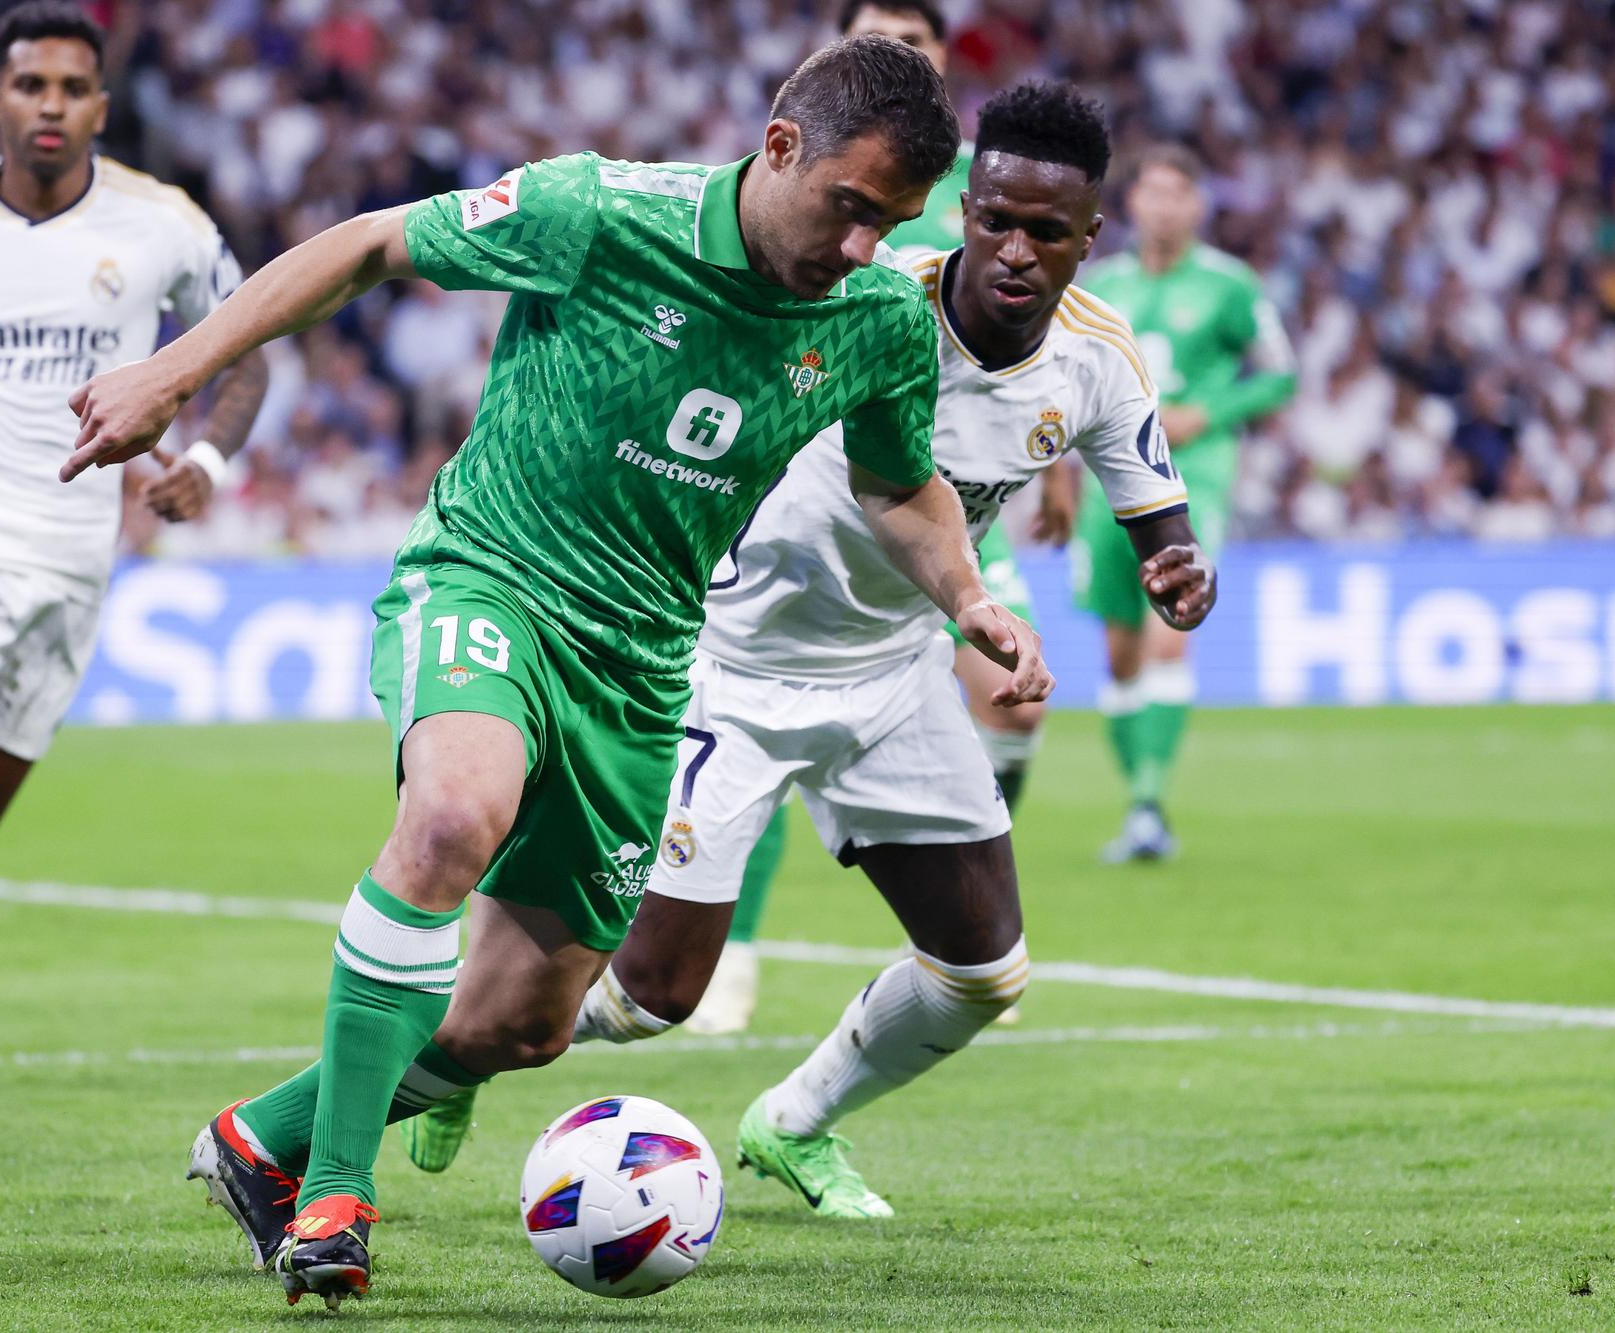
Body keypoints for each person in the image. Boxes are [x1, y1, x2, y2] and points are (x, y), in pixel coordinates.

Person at [67, 36, 1042, 1309]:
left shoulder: (873, 323)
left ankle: (264, 1140)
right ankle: (335, 1203)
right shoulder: (594, 211)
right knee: (454, 810)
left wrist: (966, 594)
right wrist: (170, 371)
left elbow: (897, 481)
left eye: (893, 222)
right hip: (490, 583)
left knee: (520, 1026)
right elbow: (369, 245)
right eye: (850, 208)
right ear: (779, 148)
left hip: (641, 671)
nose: (864, 245)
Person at [402, 80, 1216, 1220]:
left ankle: (791, 1123)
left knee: (984, 971)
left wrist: (1178, 572)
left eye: (1047, 232)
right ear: (964, 209)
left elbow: (1159, 525)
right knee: (645, 999)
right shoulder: (862, 298)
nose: (1015, 250)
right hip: (723, 671)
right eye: (994, 219)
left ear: (1092, 239)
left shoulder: (1098, 359)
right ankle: (460, 1052)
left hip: (890, 676)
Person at [686, 0, 1060, 1036]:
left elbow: (1036, 352)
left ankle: (957, 908)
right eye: (879, 44)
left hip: (950, 505)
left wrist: (1062, 465)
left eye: (915, 48)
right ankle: (734, 947)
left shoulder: (965, 204)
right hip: (817, 506)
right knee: (755, 721)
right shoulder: (809, 187)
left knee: (1015, 702)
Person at [0, 2, 266, 1117]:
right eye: (31, 87)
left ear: (100, 109)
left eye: (72, 90)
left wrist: (206, 464)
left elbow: (247, 351)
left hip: (77, 553)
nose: (51, 107)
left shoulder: (162, 223)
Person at [1073, 145, 1297, 861]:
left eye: (1179, 193)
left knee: (1170, 628)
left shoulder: (1231, 286)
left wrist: (1208, 412)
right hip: (1108, 476)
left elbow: (1279, 375)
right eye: (1152, 192)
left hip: (1191, 475)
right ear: (1130, 203)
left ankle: (1147, 804)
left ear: (1198, 206)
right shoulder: (1101, 285)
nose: (1164, 205)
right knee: (1119, 655)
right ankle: (1137, 793)